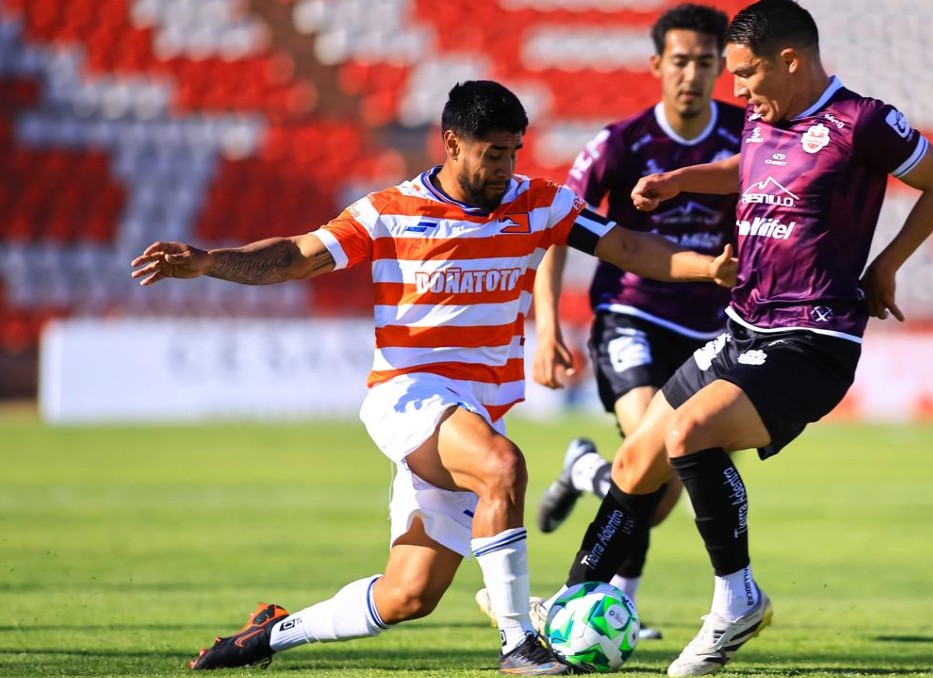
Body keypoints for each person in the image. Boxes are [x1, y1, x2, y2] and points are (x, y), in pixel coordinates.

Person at [130, 80, 735, 674]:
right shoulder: (389, 212)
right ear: (451, 142)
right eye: (492, 153)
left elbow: (627, 248)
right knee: (503, 465)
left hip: (473, 412)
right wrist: (209, 263)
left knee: (408, 596)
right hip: (408, 394)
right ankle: (519, 642)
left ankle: (268, 636)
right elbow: (294, 255)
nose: (505, 166)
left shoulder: (539, 202)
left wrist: (710, 268)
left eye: (513, 152)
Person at [536, 1, 933, 675]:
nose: (736, 91)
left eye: (745, 74)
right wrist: (679, 182)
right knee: (635, 461)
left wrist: (887, 264)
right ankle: (568, 608)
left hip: (811, 342)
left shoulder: (863, 123)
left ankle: (736, 600)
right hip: (741, 331)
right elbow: (747, 170)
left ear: (789, 61)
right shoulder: (765, 122)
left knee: (689, 435)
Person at [527, 3, 742, 639]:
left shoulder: (746, 138)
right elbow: (554, 229)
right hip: (632, 318)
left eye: (707, 62)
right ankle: (619, 602)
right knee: (652, 446)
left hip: (712, 329)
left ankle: (582, 471)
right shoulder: (620, 144)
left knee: (667, 473)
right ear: (657, 64)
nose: (693, 74)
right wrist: (547, 329)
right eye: (681, 61)